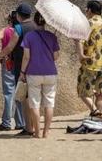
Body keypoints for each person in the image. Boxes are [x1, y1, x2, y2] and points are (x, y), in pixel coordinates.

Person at [0, 2, 36, 136]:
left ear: (18, 15)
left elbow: (9, 47)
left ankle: (28, 128)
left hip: (22, 67)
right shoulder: (37, 27)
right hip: (37, 66)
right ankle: (35, 126)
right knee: (34, 98)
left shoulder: (19, 28)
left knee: (25, 98)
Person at [20, 11, 60, 139]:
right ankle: (46, 132)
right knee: (49, 103)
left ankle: (37, 132)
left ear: (35, 21)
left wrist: (22, 72)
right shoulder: (52, 37)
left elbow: (26, 57)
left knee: (34, 103)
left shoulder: (29, 36)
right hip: (50, 73)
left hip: (33, 73)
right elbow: (55, 57)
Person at [75, 0, 102, 119]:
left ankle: (94, 110)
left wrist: (81, 55)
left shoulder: (87, 23)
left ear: (90, 10)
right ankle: (97, 119)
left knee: (82, 90)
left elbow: (80, 40)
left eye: (86, 9)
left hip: (90, 62)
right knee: (100, 92)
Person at [0, 11, 23, 131]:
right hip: (19, 63)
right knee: (19, 93)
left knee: (9, 94)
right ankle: (20, 122)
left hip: (7, 63)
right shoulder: (20, 30)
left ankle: (6, 122)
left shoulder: (5, 30)